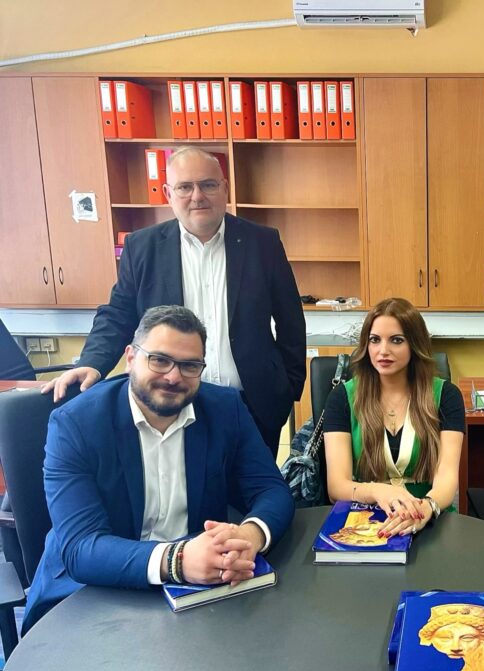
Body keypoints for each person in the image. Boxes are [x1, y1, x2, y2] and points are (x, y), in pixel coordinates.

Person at [23, 305, 295, 633]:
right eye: (160, 360)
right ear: (131, 357)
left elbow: (272, 489)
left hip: (194, 594)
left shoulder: (225, 409)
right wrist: (177, 560)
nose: (173, 377)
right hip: (88, 593)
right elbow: (82, 548)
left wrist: (249, 536)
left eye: (190, 365)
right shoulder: (76, 424)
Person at [42, 147, 306, 456]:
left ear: (224, 188)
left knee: (255, 484)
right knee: (180, 484)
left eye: (208, 184)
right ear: (168, 193)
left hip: (253, 405)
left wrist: (288, 386)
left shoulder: (263, 242)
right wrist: (92, 363)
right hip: (172, 401)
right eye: (185, 187)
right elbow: (118, 315)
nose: (197, 196)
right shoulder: (142, 247)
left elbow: (290, 319)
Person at [323, 297, 465, 538]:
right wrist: (378, 491)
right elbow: (337, 486)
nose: (383, 350)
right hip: (366, 520)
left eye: (396, 340)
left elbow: (447, 477)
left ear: (415, 344)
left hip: (429, 519)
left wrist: (426, 507)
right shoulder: (343, 397)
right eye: (375, 340)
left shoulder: (445, 395)